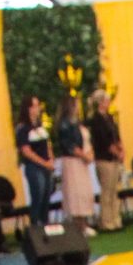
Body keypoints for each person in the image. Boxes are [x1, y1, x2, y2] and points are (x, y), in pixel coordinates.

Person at [55, 98, 96, 232]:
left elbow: (86, 141)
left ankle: (84, 223)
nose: (79, 107)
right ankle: (78, 225)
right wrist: (84, 155)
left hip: (82, 162)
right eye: (77, 105)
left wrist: (89, 153)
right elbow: (69, 145)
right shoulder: (64, 124)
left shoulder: (77, 123)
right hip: (73, 162)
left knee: (84, 192)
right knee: (75, 193)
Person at [87, 91, 125, 233]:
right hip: (104, 158)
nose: (109, 103)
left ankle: (116, 219)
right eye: (106, 101)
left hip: (114, 158)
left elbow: (116, 135)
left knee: (114, 190)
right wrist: (116, 152)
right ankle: (106, 221)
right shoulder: (96, 120)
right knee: (107, 190)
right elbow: (103, 140)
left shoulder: (109, 117)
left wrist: (122, 150)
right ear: (100, 102)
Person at [15, 97, 57, 223]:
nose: (38, 109)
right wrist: (44, 163)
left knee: (46, 196)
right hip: (34, 167)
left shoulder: (40, 126)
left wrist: (51, 159)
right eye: (35, 106)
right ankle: (35, 224)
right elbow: (26, 151)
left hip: (46, 166)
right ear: (28, 109)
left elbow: (47, 145)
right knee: (38, 195)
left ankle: (45, 222)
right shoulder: (23, 128)